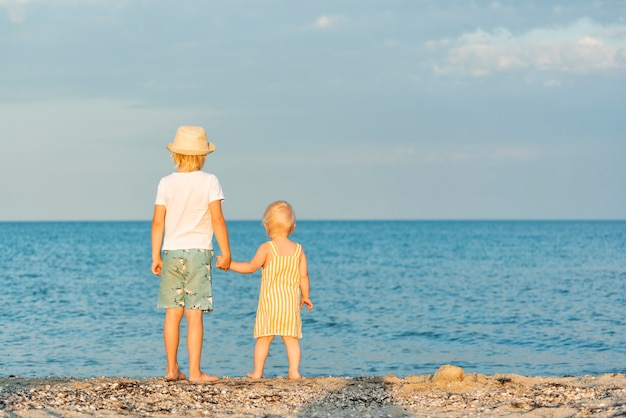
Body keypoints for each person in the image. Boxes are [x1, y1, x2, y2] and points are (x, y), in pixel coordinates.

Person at [151, 125, 231, 383]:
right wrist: (226, 251)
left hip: (172, 252)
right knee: (194, 314)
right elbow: (217, 220)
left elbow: (157, 222)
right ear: (203, 155)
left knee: (172, 314)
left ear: (176, 154)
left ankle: (172, 369)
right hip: (198, 252)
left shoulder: (166, 183)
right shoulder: (210, 181)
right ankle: (195, 372)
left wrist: (156, 255)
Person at [219, 200, 313, 379]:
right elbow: (304, 276)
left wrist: (229, 264)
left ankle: (257, 372)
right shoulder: (298, 250)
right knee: (291, 339)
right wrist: (306, 296)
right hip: (289, 304)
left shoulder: (267, 248)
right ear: (292, 227)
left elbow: (250, 267)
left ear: (266, 225)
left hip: (270, 304)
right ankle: (294, 371)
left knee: (264, 339)